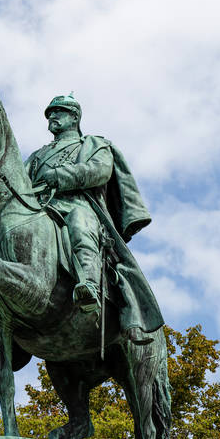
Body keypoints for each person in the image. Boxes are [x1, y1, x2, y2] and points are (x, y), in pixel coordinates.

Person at [24, 93, 163, 343]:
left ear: (74, 117)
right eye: (49, 113)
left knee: (80, 221)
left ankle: (89, 283)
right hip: (41, 209)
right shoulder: (36, 156)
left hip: (79, 205)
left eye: (58, 112)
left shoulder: (94, 144)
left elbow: (99, 171)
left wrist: (59, 176)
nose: (51, 117)